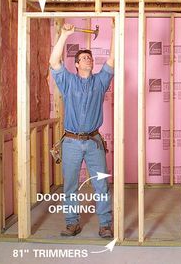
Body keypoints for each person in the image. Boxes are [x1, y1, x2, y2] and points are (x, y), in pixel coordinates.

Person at [49, 22, 115, 238]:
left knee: (101, 185)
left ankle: (105, 224)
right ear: (76, 64)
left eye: (90, 58)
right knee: (70, 185)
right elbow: (53, 61)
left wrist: (114, 30)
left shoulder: (100, 81)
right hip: (71, 143)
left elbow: (113, 60)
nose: (89, 59)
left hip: (94, 142)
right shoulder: (68, 81)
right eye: (84, 58)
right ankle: (72, 223)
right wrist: (64, 35)